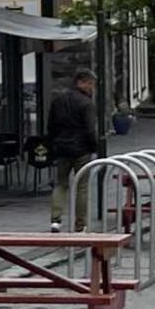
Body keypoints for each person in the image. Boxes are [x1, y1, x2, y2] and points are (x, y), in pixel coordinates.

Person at [45, 70, 99, 226]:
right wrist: (94, 148)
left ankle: (55, 219)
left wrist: (53, 143)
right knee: (82, 186)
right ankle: (80, 224)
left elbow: (51, 126)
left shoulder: (58, 100)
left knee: (60, 184)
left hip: (62, 148)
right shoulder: (86, 103)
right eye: (90, 84)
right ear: (80, 82)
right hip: (81, 149)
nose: (92, 88)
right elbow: (90, 129)